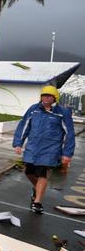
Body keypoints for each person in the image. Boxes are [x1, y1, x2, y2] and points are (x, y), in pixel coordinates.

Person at [13, 85, 75, 214]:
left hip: (50, 149)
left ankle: (37, 202)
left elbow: (69, 133)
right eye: (44, 95)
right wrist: (18, 143)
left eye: (49, 95)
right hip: (32, 147)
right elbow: (24, 125)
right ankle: (38, 188)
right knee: (28, 172)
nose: (46, 97)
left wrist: (67, 153)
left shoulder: (62, 112)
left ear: (54, 98)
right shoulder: (34, 109)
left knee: (42, 173)